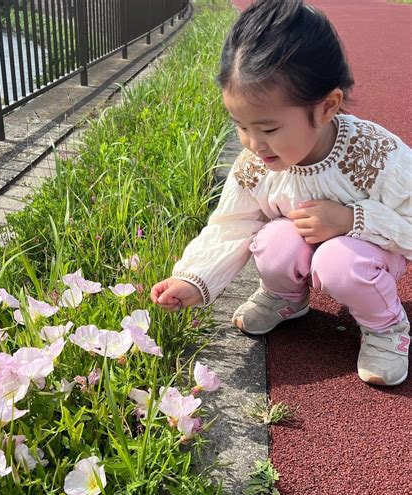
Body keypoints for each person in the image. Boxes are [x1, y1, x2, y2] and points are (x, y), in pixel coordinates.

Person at [150, 0, 411, 386]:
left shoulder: (375, 156)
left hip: (368, 253)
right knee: (273, 239)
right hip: (307, 244)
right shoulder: (255, 165)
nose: (254, 143)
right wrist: (193, 278)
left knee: (339, 262)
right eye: (241, 126)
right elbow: (231, 225)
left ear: (327, 107)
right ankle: (285, 297)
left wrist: (351, 220)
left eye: (269, 129)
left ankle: (387, 328)